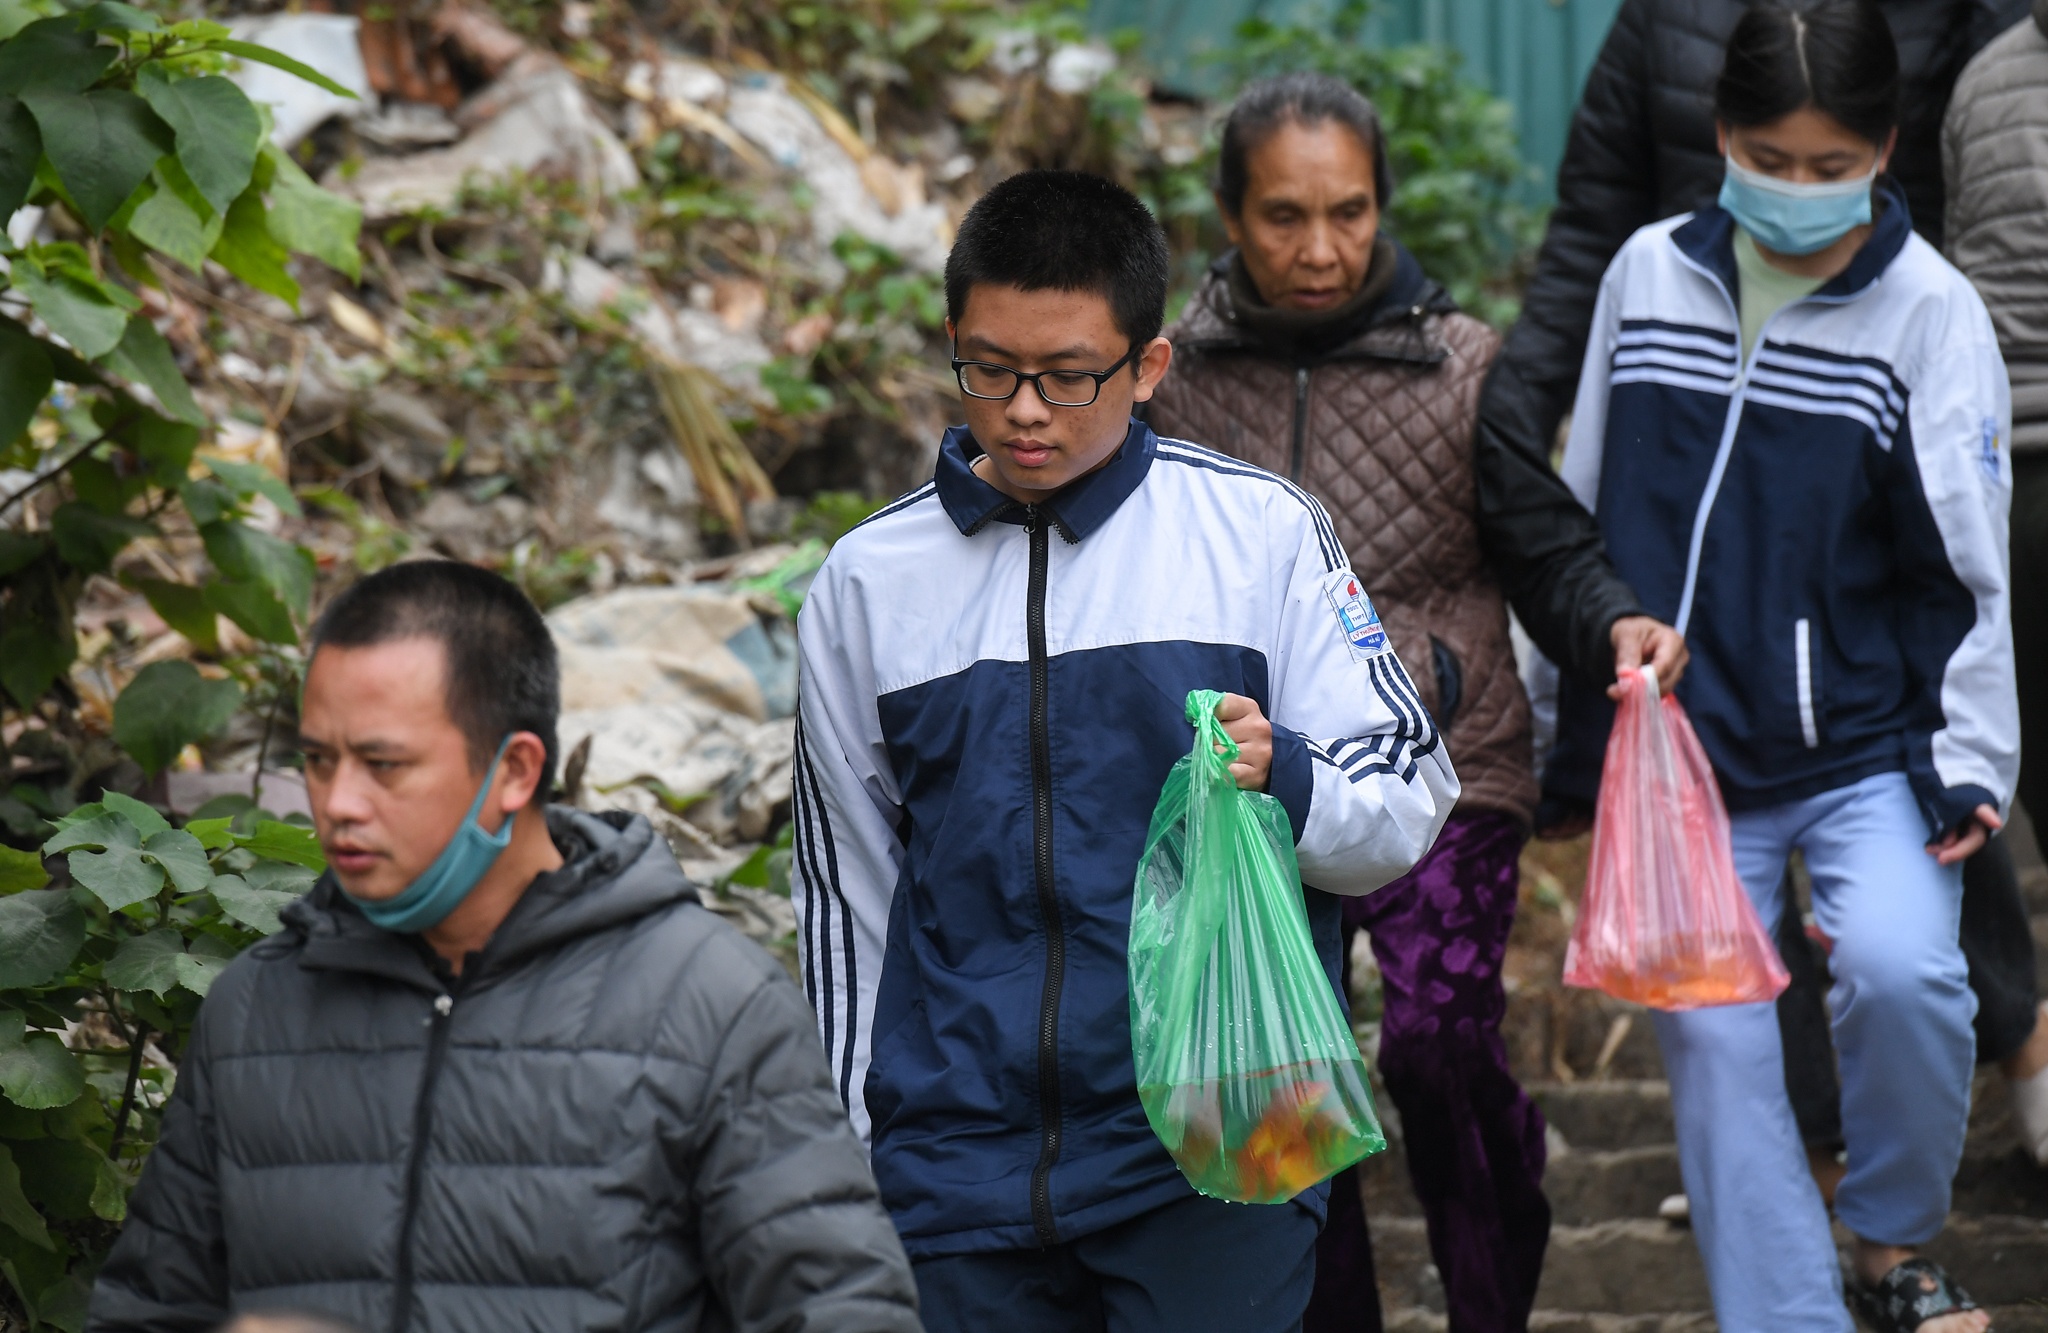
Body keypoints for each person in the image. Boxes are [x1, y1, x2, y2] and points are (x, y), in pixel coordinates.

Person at [792, 168, 1459, 1333]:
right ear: (952, 342)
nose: (1024, 411)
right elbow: (845, 896)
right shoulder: (866, 584)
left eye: (1067, 375)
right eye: (990, 369)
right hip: (954, 1169)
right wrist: (856, 1151)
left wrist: (1289, 776)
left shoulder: (1257, 536)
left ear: (1148, 366)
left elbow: (1405, 797)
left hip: (1216, 1136)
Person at [1145, 73, 1685, 1333]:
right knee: (1286, 1068)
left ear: (1383, 206)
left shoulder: (1463, 366)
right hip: (1253, 778)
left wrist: (1611, 617)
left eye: (1348, 211)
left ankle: (1491, 1296)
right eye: (1282, 216)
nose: (1320, 247)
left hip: (1444, 763)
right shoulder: (1173, 385)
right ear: (1227, 214)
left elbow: (1540, 540)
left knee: (1436, 1046)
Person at [86, 561, 921, 1333]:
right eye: (317, 759)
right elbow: (151, 1308)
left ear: (517, 770)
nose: (338, 802)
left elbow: (841, 1311)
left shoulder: (706, 1004)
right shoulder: (257, 1008)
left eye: (383, 764)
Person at [1488, 0, 2039, 1158]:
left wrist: (1968, 762)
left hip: (1858, 725)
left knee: (1901, 975)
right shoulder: (1646, 270)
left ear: (1884, 148)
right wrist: (1553, 724)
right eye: (1768, 160)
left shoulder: (1931, 312)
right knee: (1715, 1036)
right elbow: (1582, 503)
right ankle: (1779, 1229)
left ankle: (1896, 1227)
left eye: (1828, 165)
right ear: (1719, 137)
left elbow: (1962, 563)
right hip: (1680, 738)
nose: (1796, 188)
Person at [1942, 0, 2048, 1166]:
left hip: (1992, 467)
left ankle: (2020, 1049)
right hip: (2004, 474)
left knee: (1986, 779)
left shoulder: (1980, 79)